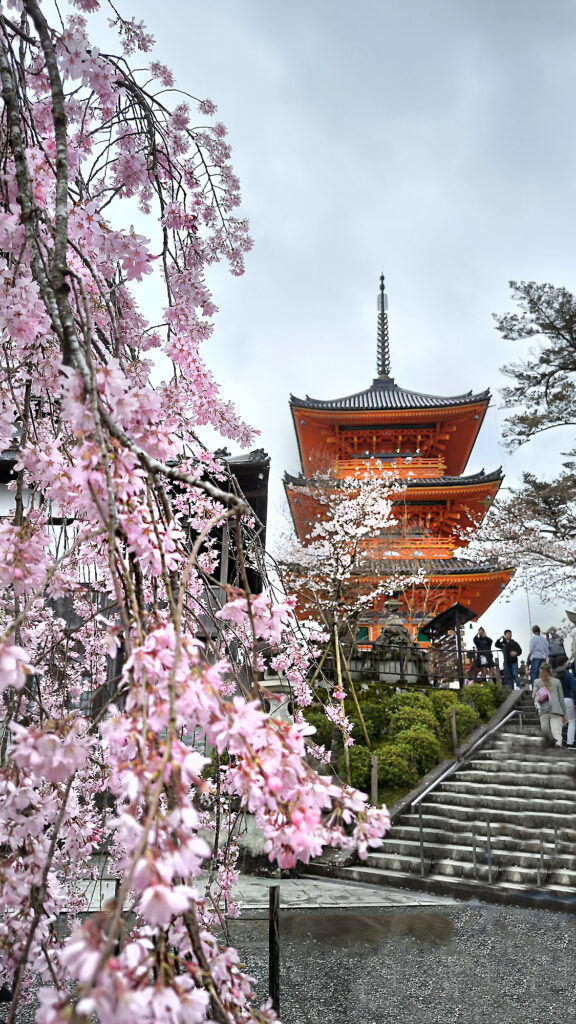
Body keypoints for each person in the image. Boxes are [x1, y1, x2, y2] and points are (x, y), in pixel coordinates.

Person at [533, 663, 565, 747]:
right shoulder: (557, 681)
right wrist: (564, 713)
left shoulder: (537, 682)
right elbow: (561, 698)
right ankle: (558, 747)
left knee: (546, 733)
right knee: (556, 731)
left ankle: (548, 748)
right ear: (550, 670)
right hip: (556, 710)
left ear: (540, 670)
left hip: (543, 710)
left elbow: (533, 696)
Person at [552, 659, 576, 748]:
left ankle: (555, 740)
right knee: (571, 721)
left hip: (557, 700)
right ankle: (570, 743)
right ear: (565, 664)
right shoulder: (568, 675)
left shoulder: (553, 675)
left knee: (559, 721)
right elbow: (574, 689)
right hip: (567, 698)